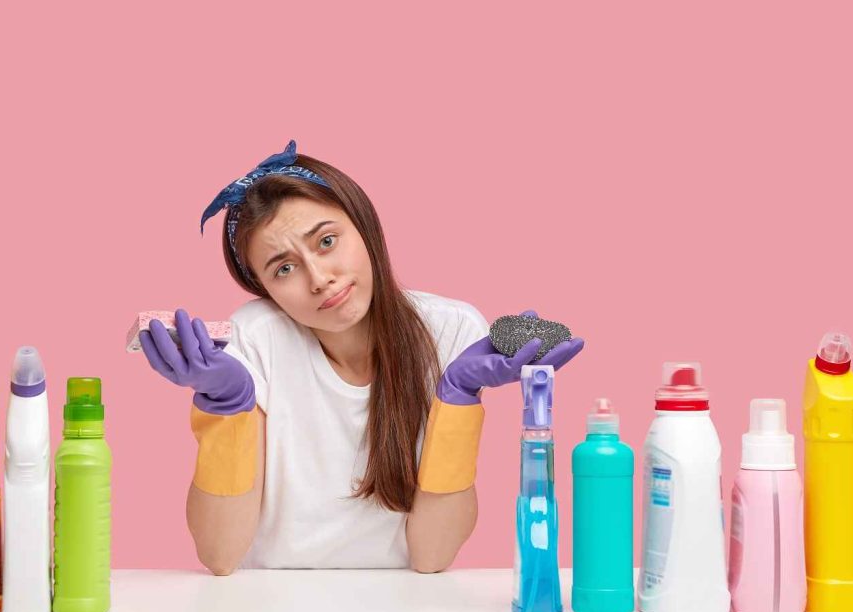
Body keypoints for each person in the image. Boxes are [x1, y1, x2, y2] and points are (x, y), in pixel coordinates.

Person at [139, 140, 584, 574]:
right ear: (265, 290)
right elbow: (220, 555)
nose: (319, 279)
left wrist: (458, 398)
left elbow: (433, 556)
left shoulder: (450, 330)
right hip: (271, 602)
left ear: (364, 226)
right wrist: (227, 409)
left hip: (404, 605)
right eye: (284, 269)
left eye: (327, 241)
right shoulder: (255, 339)